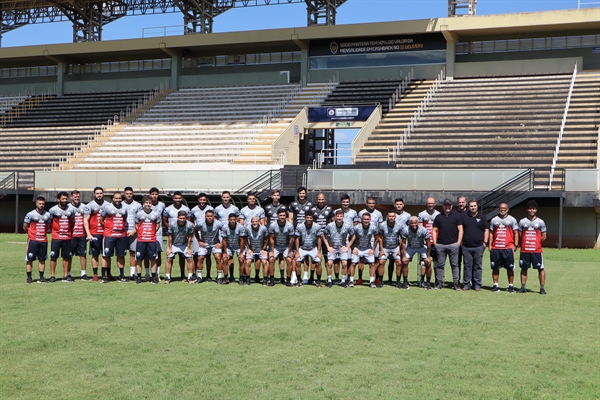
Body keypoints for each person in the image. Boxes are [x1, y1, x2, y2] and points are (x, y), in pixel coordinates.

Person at [432, 199, 463, 291]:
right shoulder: (438, 217)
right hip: (440, 245)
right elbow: (434, 230)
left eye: (449, 205)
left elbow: (461, 230)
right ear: (443, 206)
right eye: (445, 205)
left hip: (453, 245)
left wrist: (458, 243)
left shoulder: (456, 216)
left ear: (452, 206)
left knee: (455, 265)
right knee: (440, 265)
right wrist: (435, 243)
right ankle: (438, 283)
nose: (447, 207)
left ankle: (456, 283)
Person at [518, 200, 547, 294]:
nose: (531, 210)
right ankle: (523, 287)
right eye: (530, 208)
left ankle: (542, 288)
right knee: (524, 268)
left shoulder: (540, 222)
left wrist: (537, 242)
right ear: (527, 209)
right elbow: (520, 234)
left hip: (537, 250)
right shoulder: (522, 221)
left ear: (536, 210)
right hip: (525, 250)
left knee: (540, 268)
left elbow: (544, 236)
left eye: (533, 209)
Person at [488, 203, 519, 293]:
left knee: (510, 268)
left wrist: (515, 244)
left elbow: (516, 232)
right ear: (499, 209)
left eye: (504, 208)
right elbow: (491, 233)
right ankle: (496, 285)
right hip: (496, 247)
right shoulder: (494, 220)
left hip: (508, 248)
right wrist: (490, 245)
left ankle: (510, 286)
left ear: (507, 209)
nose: (502, 210)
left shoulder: (512, 220)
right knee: (495, 267)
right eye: (501, 208)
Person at [320, 209, 355, 288]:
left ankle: (343, 281)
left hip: (342, 247)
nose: (339, 218)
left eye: (341, 216)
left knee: (344, 263)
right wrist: (328, 246)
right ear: (335, 217)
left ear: (343, 217)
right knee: (329, 263)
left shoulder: (347, 225)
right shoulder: (330, 225)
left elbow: (353, 236)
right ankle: (329, 280)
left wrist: (348, 247)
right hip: (332, 247)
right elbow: (323, 235)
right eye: (338, 216)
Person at [99, 191, 129, 283]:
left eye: (119, 198)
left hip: (121, 236)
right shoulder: (107, 207)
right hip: (109, 235)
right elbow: (101, 220)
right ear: (113, 199)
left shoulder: (124, 208)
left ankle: (121, 275)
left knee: (121, 255)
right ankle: (104, 276)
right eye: (116, 198)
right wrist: (108, 228)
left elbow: (125, 220)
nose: (118, 200)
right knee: (106, 255)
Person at [460, 200, 489, 291]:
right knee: (467, 265)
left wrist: (485, 242)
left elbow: (486, 230)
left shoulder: (482, 217)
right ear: (468, 207)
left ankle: (477, 284)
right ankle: (466, 284)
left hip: (479, 246)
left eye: (474, 206)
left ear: (477, 206)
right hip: (466, 246)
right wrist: (460, 242)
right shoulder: (464, 217)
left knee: (477, 266)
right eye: (471, 206)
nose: (473, 207)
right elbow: (461, 230)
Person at [162, 191, 191, 281]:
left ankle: (183, 275)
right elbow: (165, 220)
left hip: (183, 238)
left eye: (179, 198)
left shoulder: (186, 209)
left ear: (181, 198)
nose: (177, 200)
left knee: (183, 257)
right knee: (170, 256)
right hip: (172, 237)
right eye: (176, 198)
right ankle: (168, 276)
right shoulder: (168, 209)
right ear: (173, 199)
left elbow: (189, 221)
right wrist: (172, 229)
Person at [134, 195, 162, 284]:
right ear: (143, 203)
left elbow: (157, 225)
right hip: (141, 240)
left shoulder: (156, 213)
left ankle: (154, 277)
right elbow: (136, 225)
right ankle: (139, 277)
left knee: (153, 258)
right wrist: (141, 232)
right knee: (139, 259)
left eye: (150, 203)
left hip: (152, 239)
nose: (148, 204)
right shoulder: (138, 213)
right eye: (146, 203)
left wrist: (152, 232)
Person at [23, 196, 52, 284]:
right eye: (39, 203)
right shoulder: (30, 214)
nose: (41, 205)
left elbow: (48, 226)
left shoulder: (47, 215)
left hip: (43, 240)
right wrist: (31, 234)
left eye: (43, 204)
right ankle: (29, 277)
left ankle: (41, 277)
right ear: (36, 204)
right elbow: (25, 226)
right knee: (30, 259)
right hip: (33, 240)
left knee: (42, 259)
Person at [48, 191, 74, 283]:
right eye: (62, 199)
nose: (64, 200)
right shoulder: (53, 210)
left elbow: (71, 222)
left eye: (66, 199)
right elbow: (49, 222)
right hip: (56, 237)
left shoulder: (71, 209)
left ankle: (65, 275)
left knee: (66, 257)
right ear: (58, 199)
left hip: (67, 237)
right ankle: (52, 276)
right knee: (53, 257)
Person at [83, 186, 108, 281]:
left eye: (101, 193)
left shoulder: (108, 205)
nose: (99, 195)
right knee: (95, 254)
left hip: (106, 233)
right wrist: (88, 234)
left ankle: (107, 274)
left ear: (103, 194)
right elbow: (85, 221)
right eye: (97, 193)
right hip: (94, 233)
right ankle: (95, 274)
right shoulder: (90, 205)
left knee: (106, 254)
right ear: (94, 194)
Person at [357, 196, 384, 285]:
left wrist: (379, 240)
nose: (371, 205)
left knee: (375, 260)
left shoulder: (378, 214)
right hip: (363, 239)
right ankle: (360, 278)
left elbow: (380, 228)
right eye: (370, 203)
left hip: (374, 240)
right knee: (361, 260)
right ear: (366, 203)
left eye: (373, 203)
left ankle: (375, 279)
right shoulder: (361, 213)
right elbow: (358, 226)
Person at [350, 213, 381, 288]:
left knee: (372, 264)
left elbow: (377, 238)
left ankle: (371, 281)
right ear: (361, 220)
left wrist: (373, 249)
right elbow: (350, 238)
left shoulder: (373, 228)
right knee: (353, 263)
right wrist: (353, 248)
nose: (366, 221)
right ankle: (351, 280)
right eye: (364, 219)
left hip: (368, 247)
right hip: (357, 247)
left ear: (370, 220)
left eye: (367, 219)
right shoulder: (356, 228)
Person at [214, 191, 240, 278]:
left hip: (232, 234)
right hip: (221, 234)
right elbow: (215, 222)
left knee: (231, 256)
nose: (226, 199)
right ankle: (221, 276)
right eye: (224, 197)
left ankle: (231, 275)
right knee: (222, 256)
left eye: (227, 197)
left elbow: (238, 221)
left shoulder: (235, 209)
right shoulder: (217, 209)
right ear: (222, 198)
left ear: (230, 198)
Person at [189, 192, 215, 280]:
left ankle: (208, 275)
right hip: (197, 235)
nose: (202, 201)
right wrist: (194, 226)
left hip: (209, 235)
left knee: (208, 256)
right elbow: (190, 220)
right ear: (198, 200)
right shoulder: (193, 210)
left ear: (206, 200)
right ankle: (194, 274)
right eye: (201, 199)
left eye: (204, 200)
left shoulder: (211, 208)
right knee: (196, 255)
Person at [194, 210, 224, 284]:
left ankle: (219, 277)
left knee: (218, 257)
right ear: (205, 216)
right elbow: (195, 230)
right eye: (208, 216)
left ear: (213, 216)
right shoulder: (200, 223)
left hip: (215, 243)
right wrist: (199, 241)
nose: (209, 218)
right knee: (200, 258)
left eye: (211, 216)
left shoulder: (218, 223)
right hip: (204, 244)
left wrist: (221, 243)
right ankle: (199, 277)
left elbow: (226, 231)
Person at [401, 216, 431, 290]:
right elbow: (403, 243)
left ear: (418, 223)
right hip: (410, 247)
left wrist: (428, 256)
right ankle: (405, 281)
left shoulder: (423, 230)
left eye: (415, 223)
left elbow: (428, 244)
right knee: (404, 262)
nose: (414, 225)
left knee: (428, 262)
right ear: (409, 223)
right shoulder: (405, 230)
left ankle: (427, 283)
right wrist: (404, 255)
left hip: (421, 246)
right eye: (412, 223)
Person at [165, 210, 195, 284]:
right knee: (169, 258)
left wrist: (188, 248)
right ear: (177, 217)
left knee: (189, 258)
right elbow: (170, 236)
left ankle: (190, 277)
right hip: (173, 244)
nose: (182, 220)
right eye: (180, 218)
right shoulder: (172, 224)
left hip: (184, 244)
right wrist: (170, 248)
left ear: (186, 218)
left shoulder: (189, 225)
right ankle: (167, 277)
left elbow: (190, 237)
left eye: (183, 218)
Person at [294, 210, 322, 287]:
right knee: (297, 262)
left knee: (318, 263)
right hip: (302, 248)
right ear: (304, 218)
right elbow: (297, 239)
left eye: (310, 217)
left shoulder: (317, 226)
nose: (309, 219)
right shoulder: (299, 226)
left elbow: (319, 239)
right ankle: (299, 281)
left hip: (313, 248)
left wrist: (319, 252)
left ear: (313, 218)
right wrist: (297, 252)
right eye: (307, 217)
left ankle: (318, 281)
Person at [268, 208, 295, 286]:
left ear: (286, 216)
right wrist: (272, 251)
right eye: (280, 215)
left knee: (289, 260)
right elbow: (271, 239)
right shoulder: (273, 225)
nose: (282, 217)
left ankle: (288, 280)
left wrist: (289, 252)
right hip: (276, 245)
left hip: (286, 245)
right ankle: (272, 280)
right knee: (271, 259)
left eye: (284, 215)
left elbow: (291, 240)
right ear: (277, 216)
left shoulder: (290, 226)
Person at [311, 192, 334, 282]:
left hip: (326, 237)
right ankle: (312, 277)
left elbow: (332, 223)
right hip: (315, 237)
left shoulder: (330, 209)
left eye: (322, 199)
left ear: (325, 199)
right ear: (316, 199)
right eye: (319, 199)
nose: (321, 201)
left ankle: (329, 278)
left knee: (326, 258)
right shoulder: (312, 209)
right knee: (314, 258)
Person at [378, 210, 404, 288]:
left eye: (393, 216)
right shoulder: (382, 225)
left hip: (395, 247)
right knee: (381, 262)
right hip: (385, 247)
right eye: (390, 216)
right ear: (387, 217)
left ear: (395, 217)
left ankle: (398, 282)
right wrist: (381, 249)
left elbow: (402, 238)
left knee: (399, 263)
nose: (391, 218)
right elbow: (379, 237)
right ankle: (380, 281)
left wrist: (399, 250)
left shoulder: (399, 225)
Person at [417, 197, 439, 288]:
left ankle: (437, 280)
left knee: (436, 262)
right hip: (425, 243)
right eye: (429, 203)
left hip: (435, 242)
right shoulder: (421, 214)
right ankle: (422, 279)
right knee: (424, 262)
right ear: (426, 204)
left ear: (435, 204)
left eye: (432, 203)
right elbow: (420, 229)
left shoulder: (438, 214)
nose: (430, 205)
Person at [220, 213, 246, 285]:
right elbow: (224, 240)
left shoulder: (241, 227)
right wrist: (225, 252)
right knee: (225, 259)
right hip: (229, 246)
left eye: (234, 219)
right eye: (231, 220)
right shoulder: (225, 227)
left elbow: (242, 240)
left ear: (236, 220)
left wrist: (240, 253)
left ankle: (241, 278)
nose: (232, 221)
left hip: (238, 246)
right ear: (228, 220)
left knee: (241, 259)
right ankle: (226, 278)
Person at [244, 216, 270, 286]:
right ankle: (248, 279)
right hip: (252, 249)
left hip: (261, 248)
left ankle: (265, 279)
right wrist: (248, 248)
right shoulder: (247, 229)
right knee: (247, 262)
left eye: (256, 221)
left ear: (259, 222)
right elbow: (245, 239)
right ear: (251, 222)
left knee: (265, 262)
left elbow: (267, 238)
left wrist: (264, 248)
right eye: (253, 222)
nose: (254, 223)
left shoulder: (263, 228)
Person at [69, 190, 89, 281]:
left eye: (78, 197)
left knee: (83, 255)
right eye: (75, 197)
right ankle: (68, 274)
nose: (77, 198)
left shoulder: (84, 207)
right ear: (71, 197)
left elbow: (87, 220)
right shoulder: (68, 207)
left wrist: (87, 233)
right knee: (69, 255)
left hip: (82, 235)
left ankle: (83, 274)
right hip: (71, 235)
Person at [123, 186, 141, 280]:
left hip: (134, 232)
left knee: (133, 253)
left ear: (132, 194)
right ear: (124, 194)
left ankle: (132, 274)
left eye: (130, 193)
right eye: (127, 193)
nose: (129, 195)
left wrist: (134, 231)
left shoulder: (138, 205)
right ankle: (121, 274)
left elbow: (140, 220)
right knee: (120, 254)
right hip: (122, 232)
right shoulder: (120, 204)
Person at [148, 187, 166, 281]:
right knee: (147, 254)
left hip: (158, 233)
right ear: (150, 195)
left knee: (158, 253)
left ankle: (157, 274)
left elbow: (164, 218)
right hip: (146, 232)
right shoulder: (146, 204)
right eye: (153, 194)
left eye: (156, 194)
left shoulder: (162, 205)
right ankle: (147, 274)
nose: (154, 196)